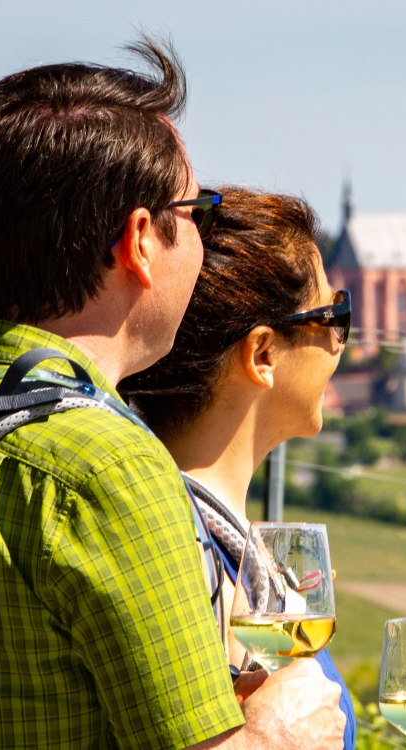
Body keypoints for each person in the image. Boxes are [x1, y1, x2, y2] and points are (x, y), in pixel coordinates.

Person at [0, 39, 344, 748]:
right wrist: (278, 732)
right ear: (140, 242)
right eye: (199, 214)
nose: (203, 237)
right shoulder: (104, 469)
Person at [121, 187, 356, 747]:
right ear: (262, 355)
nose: (342, 344)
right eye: (333, 316)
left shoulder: (227, 553)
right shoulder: (191, 566)